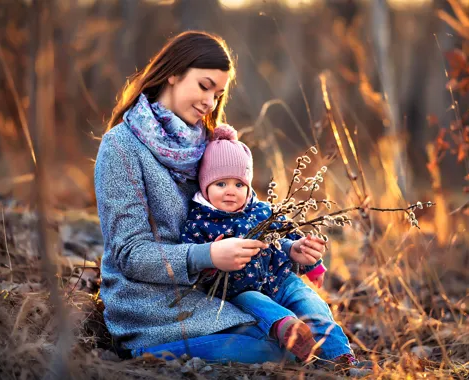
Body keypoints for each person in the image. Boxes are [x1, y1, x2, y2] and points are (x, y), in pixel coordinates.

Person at [94, 30, 372, 373]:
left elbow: (247, 220)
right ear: (173, 73)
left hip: (219, 294)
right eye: (204, 86)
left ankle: (340, 359)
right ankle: (146, 354)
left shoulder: (211, 146)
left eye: (218, 93)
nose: (210, 102)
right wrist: (206, 255)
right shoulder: (121, 146)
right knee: (275, 347)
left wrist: (289, 249)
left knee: (297, 325)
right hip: (152, 305)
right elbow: (128, 254)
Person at [181, 124, 358, 366]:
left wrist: (311, 262)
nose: (231, 191)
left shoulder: (262, 211)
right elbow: (190, 263)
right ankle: (289, 329)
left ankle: (340, 356)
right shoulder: (199, 222)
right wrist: (210, 259)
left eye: (239, 184)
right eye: (221, 184)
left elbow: (289, 237)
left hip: (282, 279)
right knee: (259, 305)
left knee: (312, 304)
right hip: (238, 290)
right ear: (205, 185)